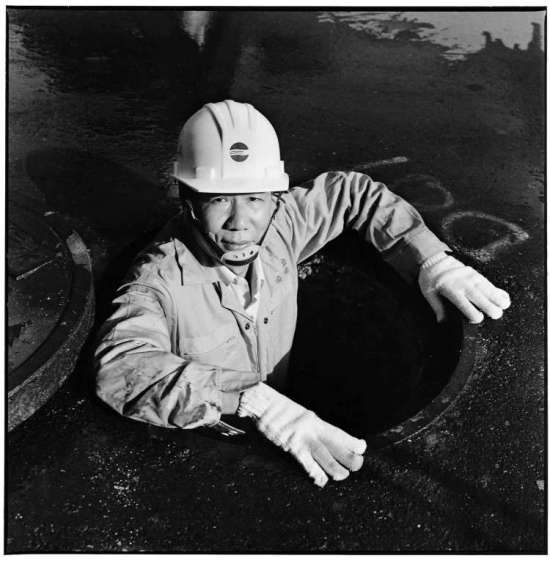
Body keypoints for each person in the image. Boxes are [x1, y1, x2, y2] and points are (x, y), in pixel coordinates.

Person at [95, 100, 511, 487]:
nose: (240, 222)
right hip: (210, 454)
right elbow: (121, 369)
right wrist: (250, 401)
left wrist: (430, 260)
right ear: (188, 202)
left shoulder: (280, 227)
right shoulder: (160, 280)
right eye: (219, 199)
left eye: (254, 199)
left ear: (274, 197)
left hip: (292, 414)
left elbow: (352, 193)